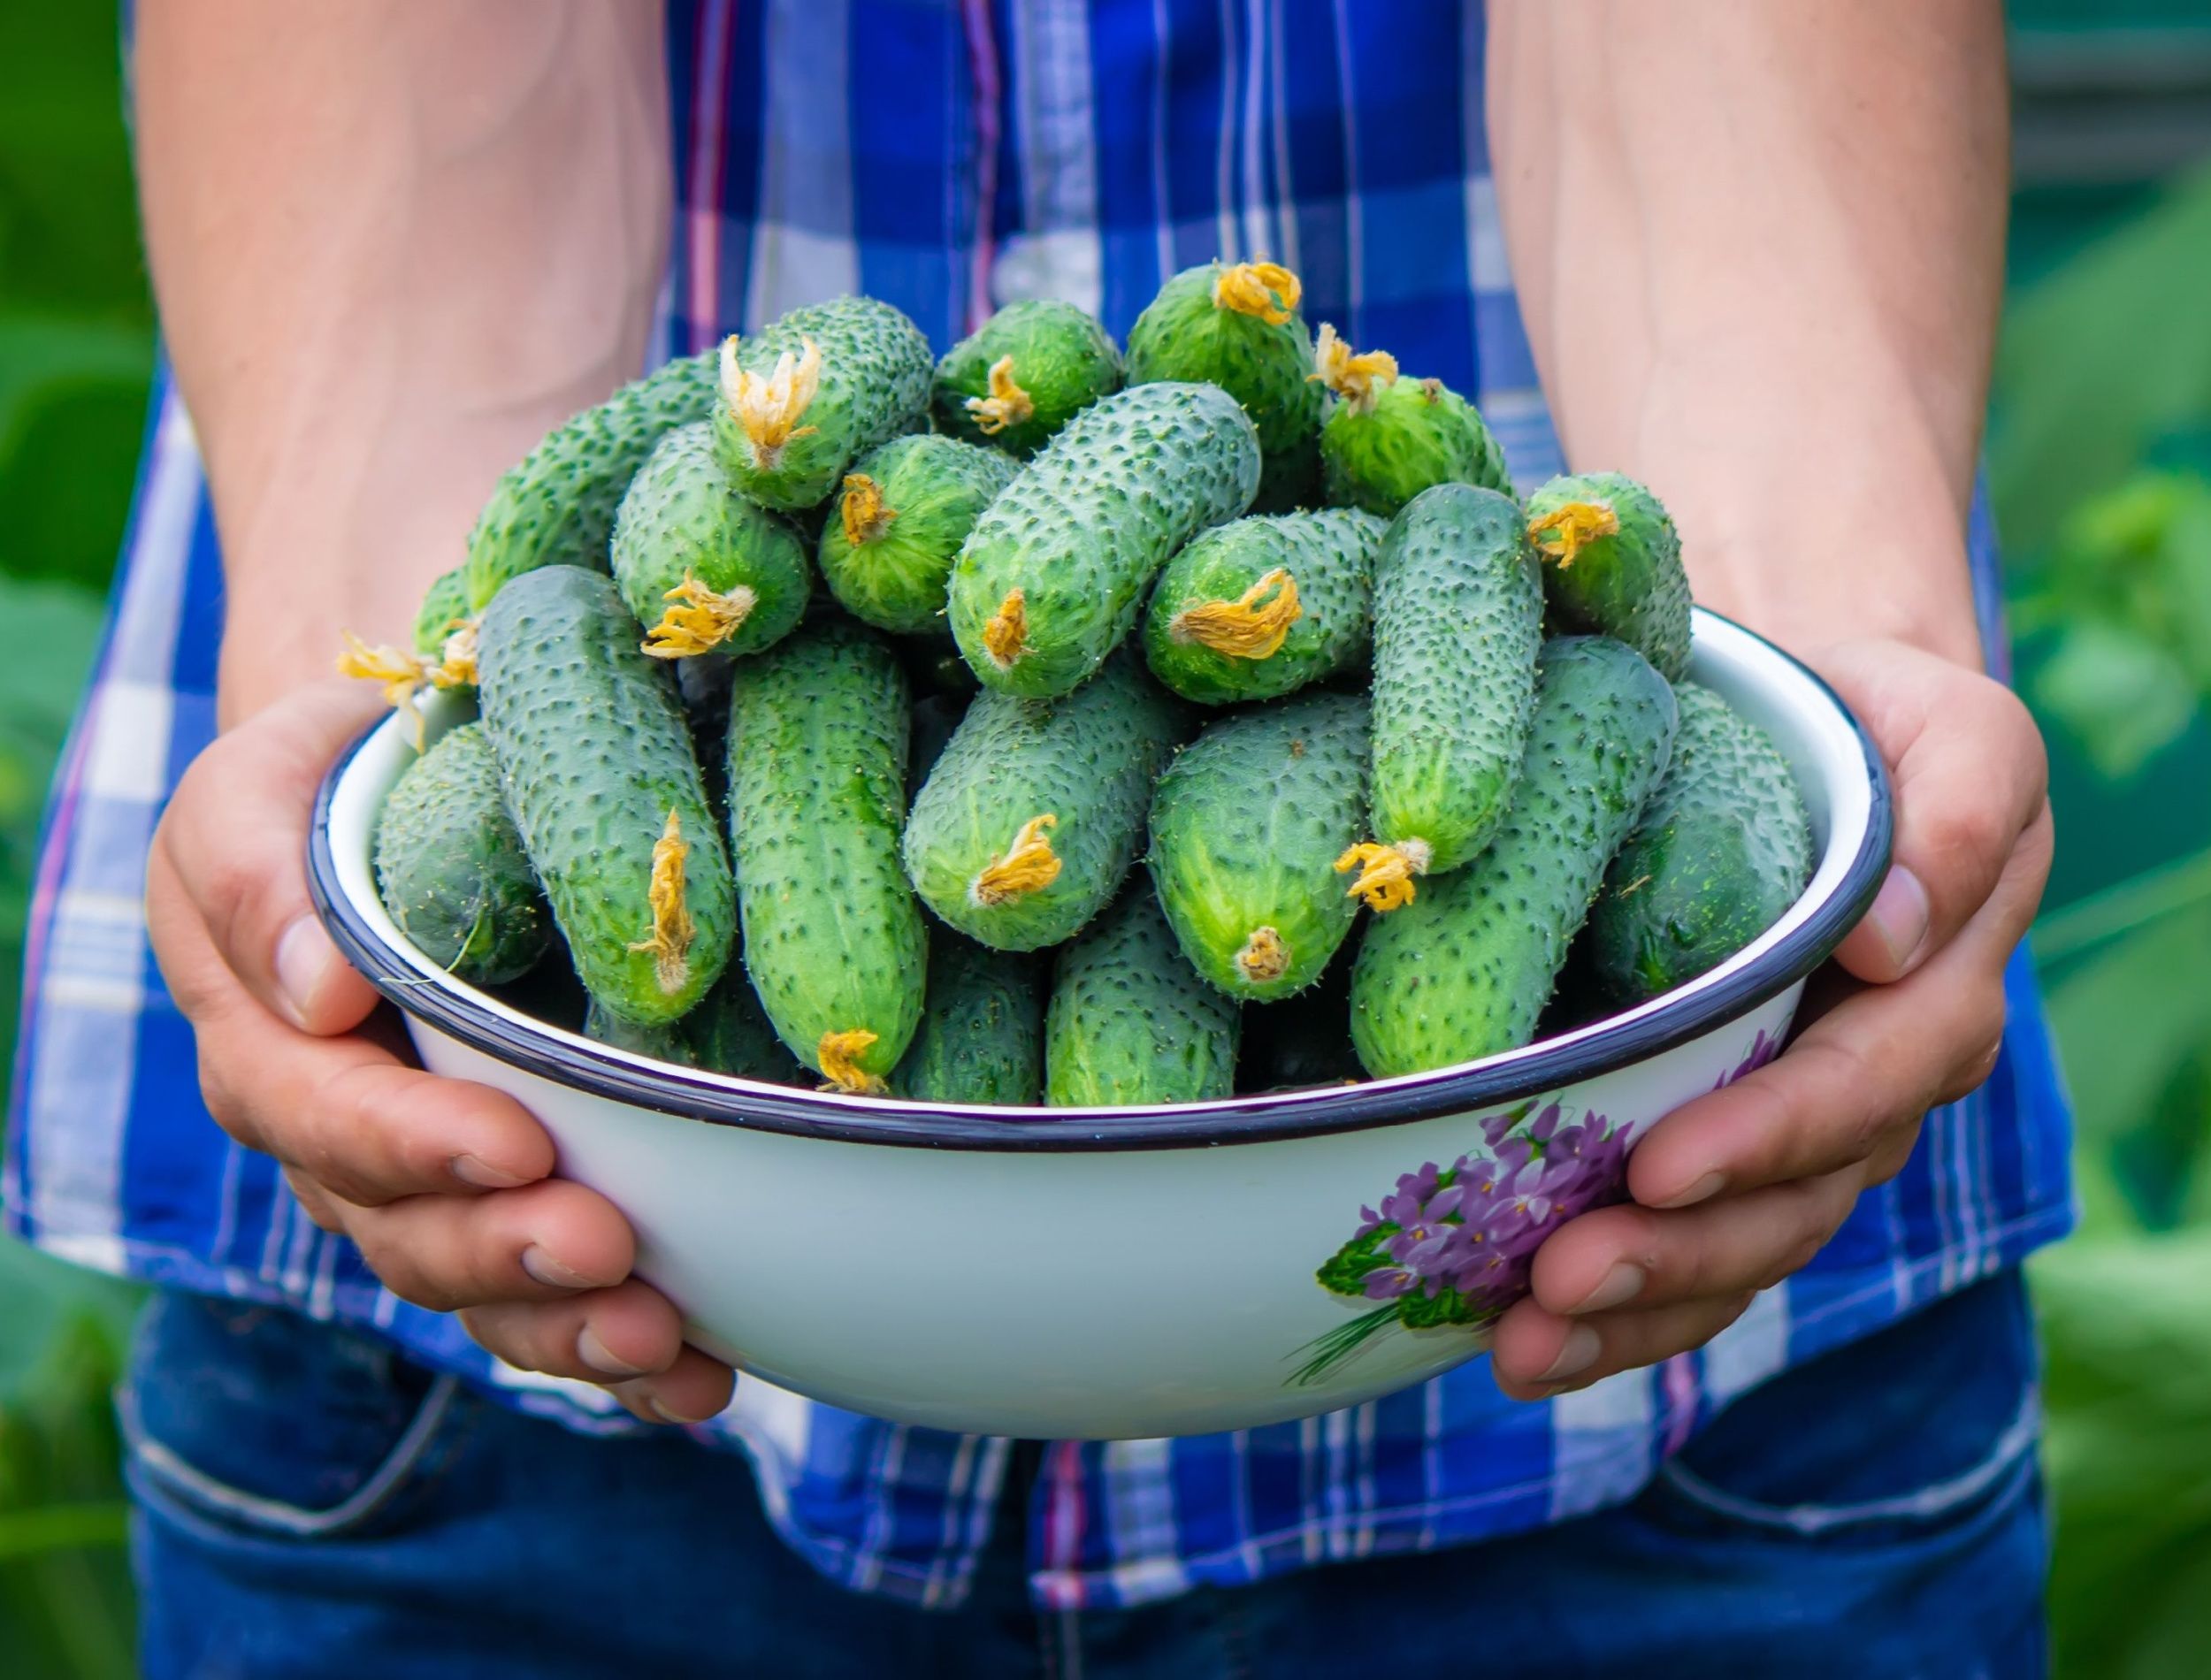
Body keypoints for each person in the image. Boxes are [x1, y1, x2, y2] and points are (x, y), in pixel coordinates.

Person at [9, 3, 2068, 1675]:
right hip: (471, 1410)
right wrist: (415, 727)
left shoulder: (1421, 590)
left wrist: (1816, 674)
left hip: (1678, 1388)